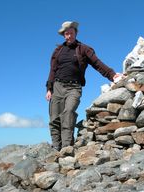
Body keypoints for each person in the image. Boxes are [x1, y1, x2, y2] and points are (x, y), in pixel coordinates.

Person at [45, 21, 121, 150]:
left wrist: (112, 75)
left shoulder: (83, 49)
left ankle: (66, 148)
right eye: (66, 33)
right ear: (64, 35)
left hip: (74, 87)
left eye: (71, 33)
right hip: (57, 86)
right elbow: (52, 70)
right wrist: (49, 88)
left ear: (76, 33)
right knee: (54, 118)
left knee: (68, 113)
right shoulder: (58, 51)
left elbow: (97, 63)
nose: (69, 36)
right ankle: (55, 148)